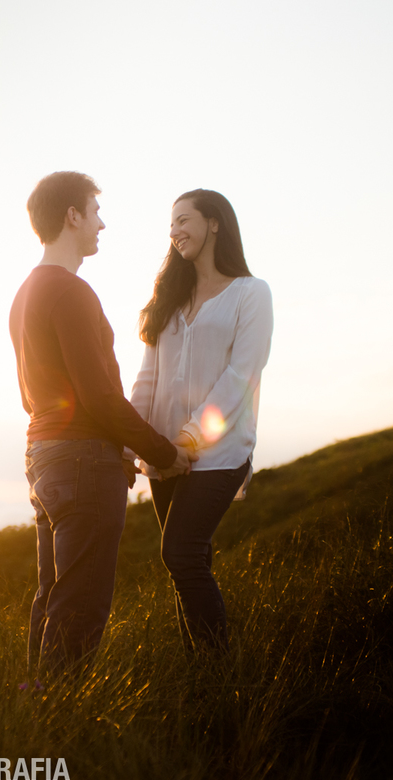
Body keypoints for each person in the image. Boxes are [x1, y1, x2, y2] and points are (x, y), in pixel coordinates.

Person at [10, 172, 195, 673]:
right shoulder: (71, 291)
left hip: (44, 459)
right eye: (94, 212)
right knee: (80, 607)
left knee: (54, 597)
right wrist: (161, 451)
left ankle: (35, 708)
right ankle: (63, 726)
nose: (102, 224)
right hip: (81, 463)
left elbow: (35, 395)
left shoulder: (26, 292)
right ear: (72, 216)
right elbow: (98, 396)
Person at [130, 189, 273, 652]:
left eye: (184, 220)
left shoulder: (250, 294)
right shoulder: (168, 298)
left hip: (217, 453)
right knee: (187, 565)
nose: (174, 232)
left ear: (214, 223)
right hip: (165, 454)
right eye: (170, 225)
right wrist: (131, 442)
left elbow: (241, 376)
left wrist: (193, 436)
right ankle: (200, 671)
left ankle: (218, 670)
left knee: (180, 554)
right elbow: (147, 379)